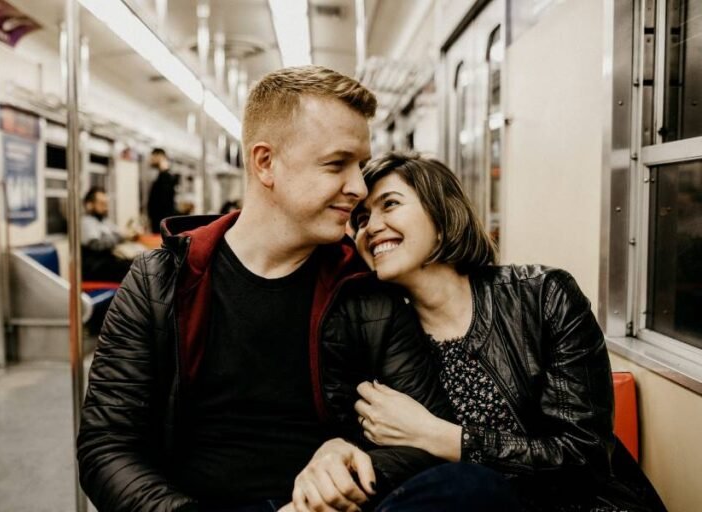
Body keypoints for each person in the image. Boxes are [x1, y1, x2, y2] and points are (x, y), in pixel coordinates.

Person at [77, 67, 475, 512]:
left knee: (470, 487)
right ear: (265, 163)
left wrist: (349, 471)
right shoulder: (160, 282)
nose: (359, 187)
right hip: (191, 503)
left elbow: (423, 434)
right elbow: (106, 446)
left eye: (360, 166)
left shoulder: (363, 289)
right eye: (336, 164)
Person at [346, 152, 666, 511]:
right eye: (360, 219)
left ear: (442, 215)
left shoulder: (544, 296)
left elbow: (583, 460)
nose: (370, 227)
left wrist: (439, 436)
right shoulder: (381, 338)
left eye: (389, 204)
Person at [81, 186, 133, 283]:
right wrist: (121, 236)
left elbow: (118, 232)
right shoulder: (86, 222)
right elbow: (97, 245)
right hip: (94, 269)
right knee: (132, 269)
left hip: (107, 264)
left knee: (137, 264)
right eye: (101, 204)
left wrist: (128, 234)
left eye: (106, 204)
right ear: (89, 205)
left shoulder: (104, 221)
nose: (105, 207)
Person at [147, 147, 178, 233]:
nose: (151, 159)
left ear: (160, 156)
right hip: (159, 222)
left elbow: (165, 202)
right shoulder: (161, 176)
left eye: (153, 157)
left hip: (162, 223)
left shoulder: (166, 177)